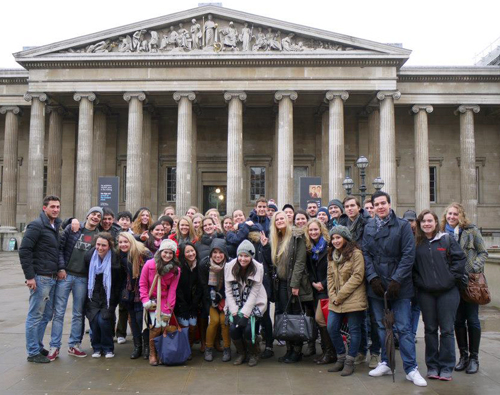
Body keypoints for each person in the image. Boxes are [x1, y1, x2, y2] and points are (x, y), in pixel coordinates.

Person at [362, 191, 427, 387]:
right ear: (372, 207)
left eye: (383, 203)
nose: (380, 207)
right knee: (382, 327)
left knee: (404, 328)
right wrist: (372, 277)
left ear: (389, 204)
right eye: (377, 204)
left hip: (400, 286)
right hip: (377, 286)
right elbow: (365, 254)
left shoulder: (402, 226)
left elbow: (409, 255)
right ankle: (386, 362)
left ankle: (411, 368)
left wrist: (397, 280)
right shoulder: (369, 226)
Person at [414, 210, 466, 381]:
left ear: (436, 222)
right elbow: (413, 268)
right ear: (420, 224)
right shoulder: (417, 243)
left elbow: (459, 260)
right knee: (429, 330)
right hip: (426, 293)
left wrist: (450, 279)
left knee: (446, 330)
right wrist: (421, 283)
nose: (426, 224)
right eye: (423, 221)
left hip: (448, 292)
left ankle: (446, 367)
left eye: (430, 221)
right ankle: (432, 366)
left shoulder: (446, 239)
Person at [49, 206, 103, 360]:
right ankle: (54, 346)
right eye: (93, 214)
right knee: (59, 312)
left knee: (78, 313)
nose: (95, 217)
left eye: (99, 215)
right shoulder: (74, 229)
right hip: (66, 275)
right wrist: (61, 268)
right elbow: (60, 248)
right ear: (87, 215)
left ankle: (74, 345)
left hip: (83, 278)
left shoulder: (99, 236)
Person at [441, 202, 488, 375]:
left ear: (461, 216)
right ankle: (463, 357)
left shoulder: (471, 231)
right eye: (449, 214)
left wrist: (473, 268)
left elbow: (483, 252)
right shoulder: (443, 234)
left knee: (472, 319)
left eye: (455, 214)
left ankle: (474, 358)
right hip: (453, 284)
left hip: (470, 283)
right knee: (458, 320)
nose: (452, 217)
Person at [19, 195, 62, 363]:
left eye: (58, 207)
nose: (56, 209)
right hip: (41, 277)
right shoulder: (37, 226)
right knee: (35, 316)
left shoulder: (54, 226)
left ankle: (37, 345)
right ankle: (32, 352)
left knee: (45, 316)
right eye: (52, 207)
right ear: (44, 208)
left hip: (51, 277)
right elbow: (24, 250)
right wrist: (30, 277)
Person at [270, 211, 313, 363]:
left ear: (288, 220)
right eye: (277, 219)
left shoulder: (297, 236)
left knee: (295, 316)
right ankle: (288, 350)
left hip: (293, 283)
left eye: (282, 218)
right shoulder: (277, 238)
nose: (280, 221)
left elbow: (300, 262)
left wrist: (295, 284)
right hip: (280, 283)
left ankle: (297, 351)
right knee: (285, 315)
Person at [327, 226, 367, 376]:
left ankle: (350, 362)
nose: (335, 241)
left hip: (353, 299)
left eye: (338, 237)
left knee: (354, 330)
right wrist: (332, 296)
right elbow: (329, 277)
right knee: (331, 327)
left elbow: (357, 276)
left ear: (345, 238)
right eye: (333, 238)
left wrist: (339, 296)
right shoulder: (332, 254)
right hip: (336, 300)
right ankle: (341, 357)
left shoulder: (356, 254)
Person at [139, 239, 181, 366]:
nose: (167, 255)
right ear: (160, 251)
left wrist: (169, 309)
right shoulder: (149, 264)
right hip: (151, 299)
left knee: (164, 326)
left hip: (165, 300)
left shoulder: (176, 270)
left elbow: (172, 290)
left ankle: (163, 352)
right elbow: (142, 284)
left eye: (170, 253)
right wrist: (145, 300)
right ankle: (153, 353)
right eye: (165, 252)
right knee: (156, 327)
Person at [226, 240, 268, 366]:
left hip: (255, 302)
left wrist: (245, 315)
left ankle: (254, 353)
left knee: (249, 329)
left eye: (246, 256)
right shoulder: (229, 266)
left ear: (251, 256)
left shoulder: (258, 267)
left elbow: (254, 293)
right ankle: (241, 353)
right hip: (236, 301)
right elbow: (228, 291)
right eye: (240, 255)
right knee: (234, 329)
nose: (243, 259)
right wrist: (234, 312)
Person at [85, 233, 125, 358]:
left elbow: (119, 280)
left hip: (109, 294)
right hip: (93, 294)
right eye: (98, 244)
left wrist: (116, 297)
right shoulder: (89, 256)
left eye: (104, 245)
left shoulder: (115, 258)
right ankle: (96, 347)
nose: (100, 248)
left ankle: (108, 348)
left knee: (104, 321)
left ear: (109, 246)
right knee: (94, 320)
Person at [117, 232, 153, 359]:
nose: (123, 244)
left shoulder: (144, 253)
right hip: (129, 292)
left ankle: (147, 347)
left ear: (131, 241)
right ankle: (137, 347)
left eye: (125, 242)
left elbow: (152, 272)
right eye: (120, 242)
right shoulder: (120, 254)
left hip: (142, 291)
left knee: (141, 320)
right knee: (133, 321)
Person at [304, 219, 335, 365]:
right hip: (315, 288)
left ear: (321, 230)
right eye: (310, 230)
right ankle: (326, 352)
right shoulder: (310, 249)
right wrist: (313, 283)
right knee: (321, 321)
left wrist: (322, 284)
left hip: (327, 288)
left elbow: (333, 269)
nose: (313, 232)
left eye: (315, 229)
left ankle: (330, 352)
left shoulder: (329, 247)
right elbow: (308, 269)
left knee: (320, 319)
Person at [199, 238, 231, 362]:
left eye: (221, 252)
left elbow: (231, 285)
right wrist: (213, 299)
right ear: (211, 253)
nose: (218, 255)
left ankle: (227, 348)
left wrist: (222, 298)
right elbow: (203, 285)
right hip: (210, 298)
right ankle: (208, 347)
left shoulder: (230, 264)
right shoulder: (204, 264)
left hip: (226, 299)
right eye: (215, 252)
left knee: (224, 321)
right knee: (214, 321)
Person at [175, 242, 203, 357]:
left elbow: (200, 286)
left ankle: (189, 347)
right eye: (188, 252)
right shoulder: (179, 267)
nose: (191, 254)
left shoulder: (199, 266)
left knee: (192, 326)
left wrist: (195, 303)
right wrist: (183, 305)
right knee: (184, 326)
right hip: (182, 303)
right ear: (183, 253)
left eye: (192, 251)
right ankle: (184, 349)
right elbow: (178, 288)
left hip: (194, 303)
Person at [403, 209, 420, 344]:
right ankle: (406, 333)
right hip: (406, 278)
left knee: (415, 307)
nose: (409, 223)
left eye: (411, 221)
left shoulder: (420, 237)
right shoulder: (402, 234)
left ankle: (412, 333)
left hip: (418, 278)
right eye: (407, 220)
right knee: (405, 308)